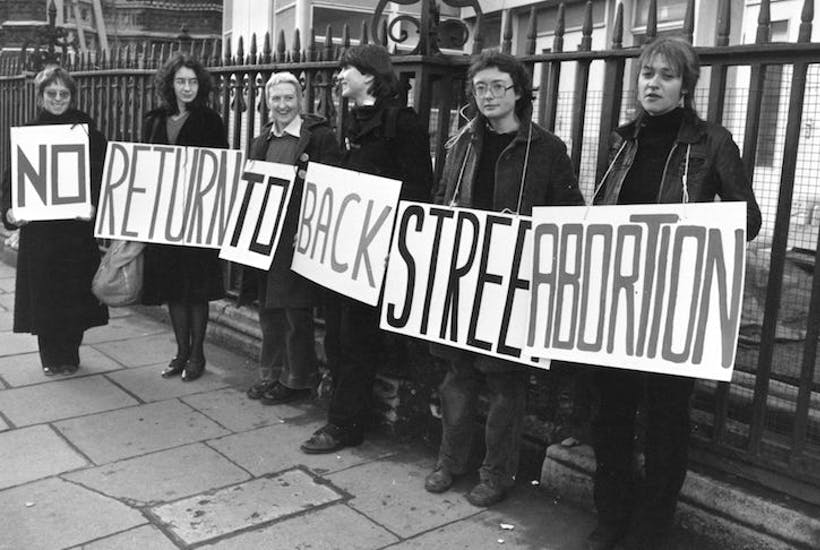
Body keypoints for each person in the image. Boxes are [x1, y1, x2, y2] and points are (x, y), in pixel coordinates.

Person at [585, 36, 761, 550]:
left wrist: (685, 225)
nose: (652, 84)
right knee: (611, 415)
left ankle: (648, 530)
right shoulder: (623, 141)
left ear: (685, 86)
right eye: (646, 74)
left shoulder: (712, 142)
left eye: (664, 75)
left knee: (665, 422)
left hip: (674, 308)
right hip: (618, 304)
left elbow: (746, 220)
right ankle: (610, 517)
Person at [423, 51, 585, 507]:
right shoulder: (461, 144)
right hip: (462, 276)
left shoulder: (547, 149)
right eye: (480, 88)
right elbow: (439, 198)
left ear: (518, 92)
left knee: (503, 381)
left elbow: (568, 214)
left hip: (512, 281)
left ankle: (496, 473)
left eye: (498, 86)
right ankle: (450, 462)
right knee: (456, 373)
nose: (488, 95)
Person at [300, 44, 433, 453]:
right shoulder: (353, 120)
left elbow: (417, 188)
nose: (339, 75)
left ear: (370, 76)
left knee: (355, 339)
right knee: (337, 336)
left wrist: (394, 240)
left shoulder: (401, 122)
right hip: (347, 250)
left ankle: (345, 425)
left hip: (376, 252)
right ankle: (345, 412)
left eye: (347, 69)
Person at [1, 66, 109, 376]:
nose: (58, 99)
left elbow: (104, 174)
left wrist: (94, 207)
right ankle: (51, 356)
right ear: (40, 97)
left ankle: (70, 353)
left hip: (76, 230)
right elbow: (11, 184)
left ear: (72, 96)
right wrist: (10, 213)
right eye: (52, 94)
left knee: (74, 293)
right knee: (46, 295)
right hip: (42, 233)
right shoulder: (28, 132)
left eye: (64, 94)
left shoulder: (86, 130)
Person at [244, 72, 341, 405]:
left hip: (297, 235)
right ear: (267, 103)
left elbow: (330, 185)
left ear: (301, 100)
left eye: (288, 98)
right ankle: (270, 374)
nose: (282, 105)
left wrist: (312, 225)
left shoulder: (320, 138)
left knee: (294, 311)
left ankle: (296, 379)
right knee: (269, 309)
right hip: (267, 236)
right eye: (276, 99)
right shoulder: (262, 141)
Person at [141, 54, 228, 382]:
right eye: (181, 81)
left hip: (197, 217)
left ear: (200, 84)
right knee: (174, 288)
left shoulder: (210, 120)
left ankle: (197, 354)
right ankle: (180, 351)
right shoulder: (154, 120)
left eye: (192, 81)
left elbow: (220, 169)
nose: (187, 87)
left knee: (197, 288)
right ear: (170, 84)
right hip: (164, 217)